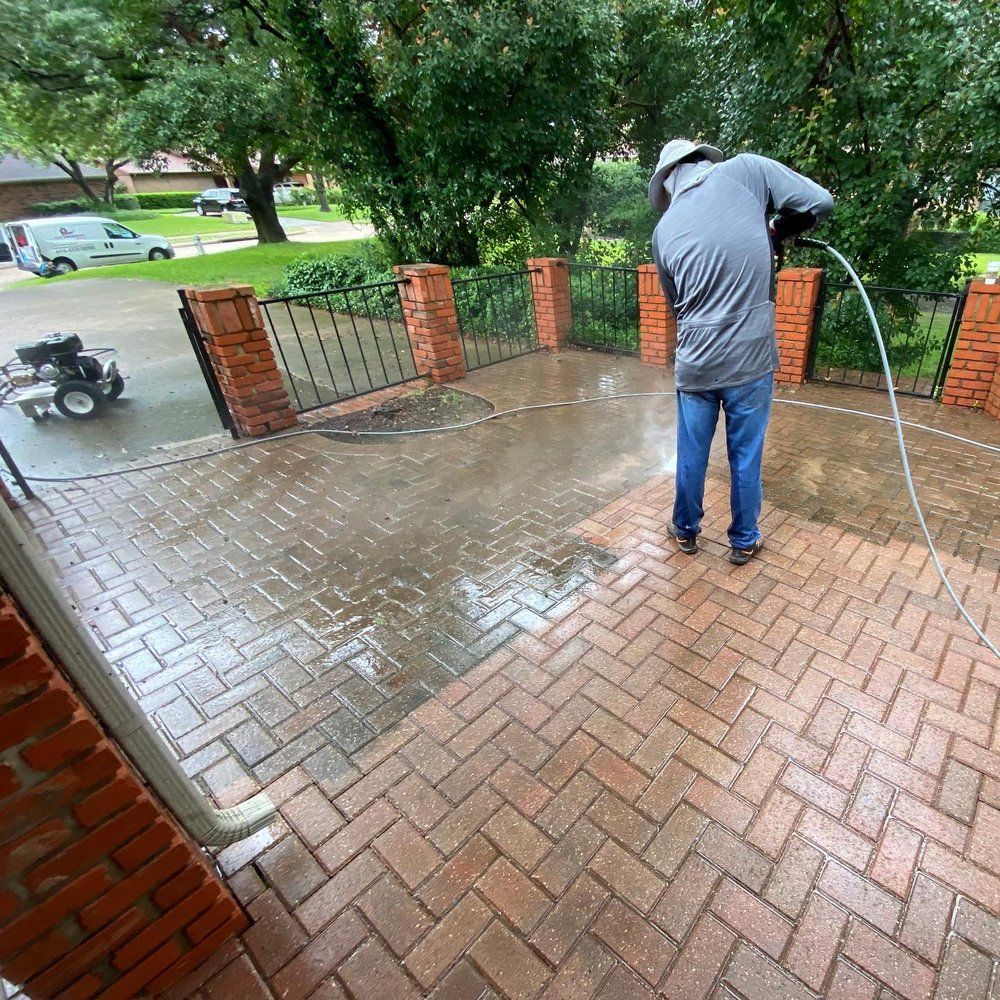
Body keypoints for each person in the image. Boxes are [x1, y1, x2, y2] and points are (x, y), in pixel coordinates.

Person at [649, 139, 834, 564]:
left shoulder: (663, 232)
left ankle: (684, 530)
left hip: (695, 361)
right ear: (701, 162)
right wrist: (776, 230)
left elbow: (674, 301)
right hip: (749, 358)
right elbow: (820, 203)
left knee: (692, 451)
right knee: (746, 453)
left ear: (670, 180)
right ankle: (744, 539)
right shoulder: (748, 171)